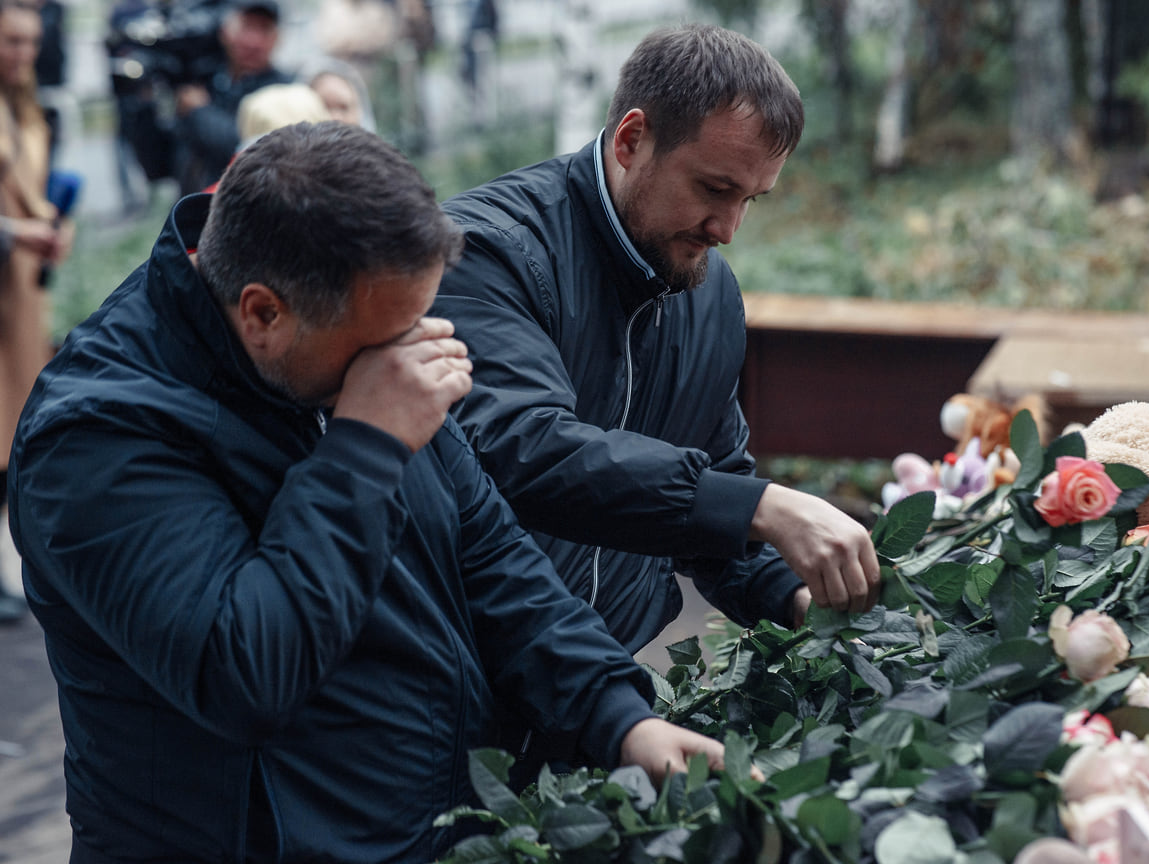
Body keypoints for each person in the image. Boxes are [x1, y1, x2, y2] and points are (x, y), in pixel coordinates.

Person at [7, 121, 731, 861]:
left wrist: (618, 717)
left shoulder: (360, 356)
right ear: (263, 313)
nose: (414, 358)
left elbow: (496, 566)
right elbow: (244, 673)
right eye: (384, 339)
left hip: (420, 835)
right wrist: (366, 444)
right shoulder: (96, 436)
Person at [433, 22, 881, 659]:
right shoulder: (486, 251)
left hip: (605, 696)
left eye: (752, 199)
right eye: (714, 189)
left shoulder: (708, 290)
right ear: (631, 139)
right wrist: (762, 505)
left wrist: (798, 597)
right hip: (466, 692)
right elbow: (524, 450)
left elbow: (715, 504)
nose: (727, 228)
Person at [0, 0, 71, 623]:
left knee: (12, 427)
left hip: (23, 289)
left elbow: (38, 191)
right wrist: (17, 232)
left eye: (29, 43)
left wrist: (55, 224)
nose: (21, 55)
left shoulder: (26, 105)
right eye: (10, 41)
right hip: (7, 280)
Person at [173, 0, 290, 194]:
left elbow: (247, 148)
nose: (254, 41)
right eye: (247, 26)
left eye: (264, 29)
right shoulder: (205, 79)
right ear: (225, 32)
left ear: (277, 38)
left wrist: (200, 111)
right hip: (190, 207)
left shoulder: (284, 89)